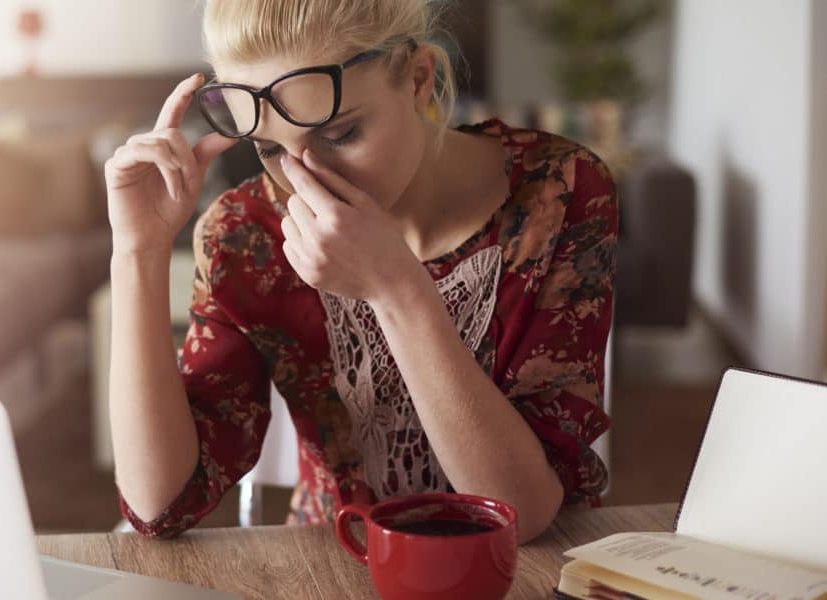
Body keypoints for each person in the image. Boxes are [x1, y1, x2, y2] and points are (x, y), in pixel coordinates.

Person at [104, 0, 617, 544]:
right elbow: (161, 505)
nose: (308, 182)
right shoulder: (247, 234)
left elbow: (525, 513)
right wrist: (138, 250)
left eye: (340, 134)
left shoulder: (557, 193)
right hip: (333, 562)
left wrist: (396, 289)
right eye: (271, 149)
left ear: (420, 79)